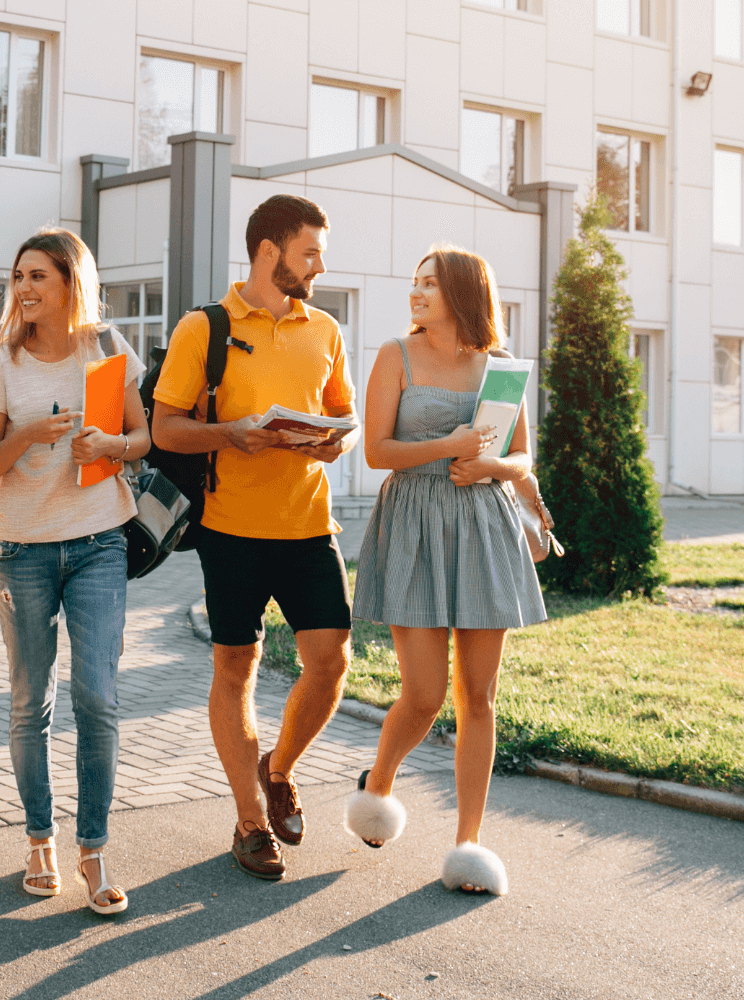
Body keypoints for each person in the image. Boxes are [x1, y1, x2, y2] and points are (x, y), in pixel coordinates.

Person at [149, 194, 361, 881]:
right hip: (230, 531)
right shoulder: (202, 328)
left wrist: (332, 443)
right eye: (310, 252)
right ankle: (248, 822)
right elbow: (165, 428)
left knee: (330, 664)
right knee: (234, 670)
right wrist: (228, 435)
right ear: (270, 252)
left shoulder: (324, 329)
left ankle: (279, 770)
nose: (319, 266)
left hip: (308, 526)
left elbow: (341, 412)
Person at [342, 244, 548, 897]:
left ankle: (468, 842)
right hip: (416, 525)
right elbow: (378, 451)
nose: (417, 292)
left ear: (462, 294)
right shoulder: (393, 356)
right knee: (426, 693)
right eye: (415, 282)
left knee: (480, 698)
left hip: (484, 530)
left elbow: (522, 457)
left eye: (429, 284)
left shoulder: (500, 370)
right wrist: (453, 446)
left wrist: (490, 467)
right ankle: (377, 786)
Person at [0, 228, 150, 915]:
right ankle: (40, 837)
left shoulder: (106, 347)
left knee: (97, 696)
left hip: (99, 540)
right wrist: (28, 437)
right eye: (18, 276)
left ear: (71, 282)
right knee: (30, 702)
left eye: (38, 276)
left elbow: (144, 437)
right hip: (23, 549)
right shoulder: (0, 361)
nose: (24, 288)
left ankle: (94, 848)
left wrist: (111, 444)